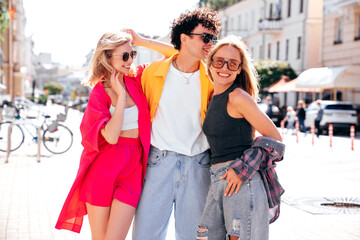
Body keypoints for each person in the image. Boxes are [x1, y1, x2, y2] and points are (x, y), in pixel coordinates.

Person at [55, 31, 176, 239]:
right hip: (103, 167)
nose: (130, 61)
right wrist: (120, 97)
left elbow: (174, 55)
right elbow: (111, 136)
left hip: (132, 167)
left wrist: (141, 41)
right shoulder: (99, 93)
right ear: (108, 57)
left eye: (133, 54)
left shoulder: (137, 79)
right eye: (125, 56)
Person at [132, 8, 221, 240]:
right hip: (158, 162)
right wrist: (141, 41)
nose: (210, 44)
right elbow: (174, 54)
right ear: (184, 38)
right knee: (145, 236)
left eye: (213, 38)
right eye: (205, 37)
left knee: (194, 236)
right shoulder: (152, 73)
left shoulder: (213, 78)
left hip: (198, 164)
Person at [197, 36, 284, 240]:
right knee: (205, 236)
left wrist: (242, 169)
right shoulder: (213, 97)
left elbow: (275, 139)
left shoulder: (237, 97)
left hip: (241, 181)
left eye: (232, 63)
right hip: (218, 179)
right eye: (219, 61)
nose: (224, 67)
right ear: (210, 64)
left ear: (238, 70)